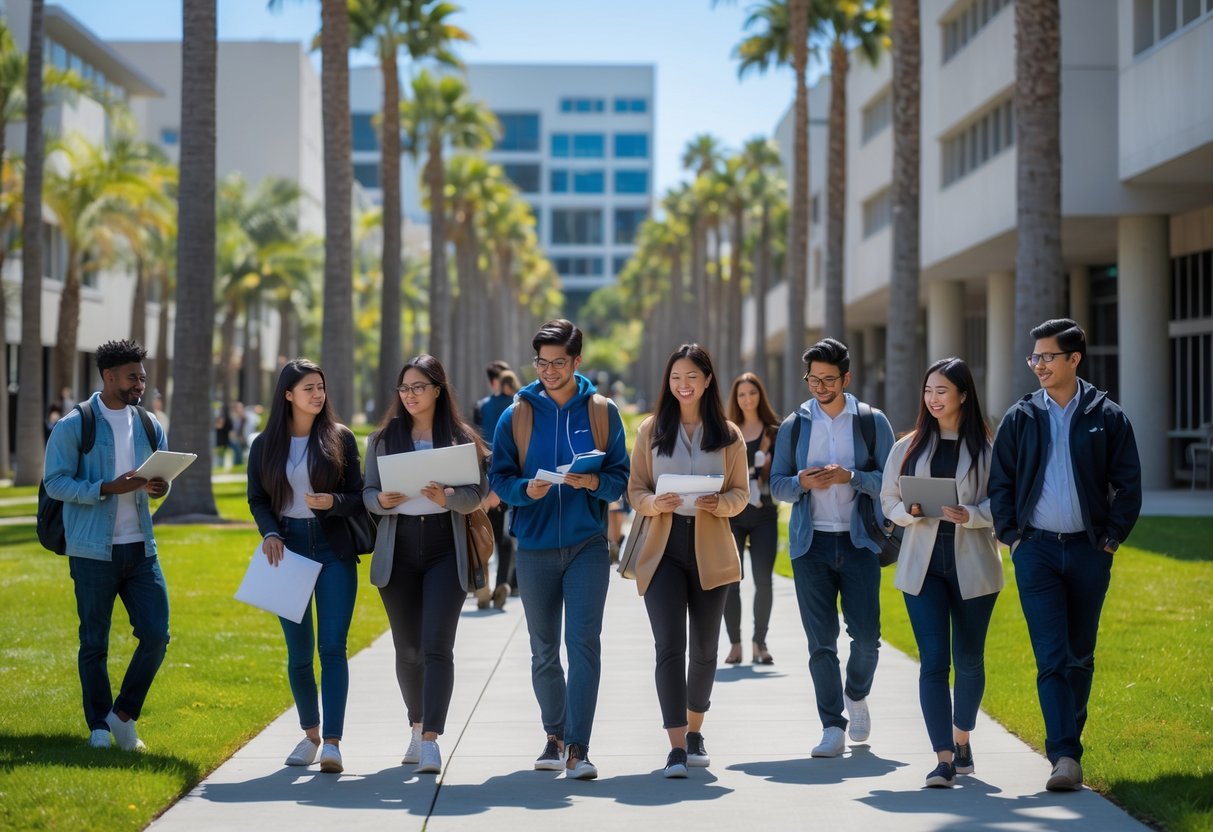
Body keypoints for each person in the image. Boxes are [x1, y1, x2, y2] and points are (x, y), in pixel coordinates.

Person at [988, 318, 1141, 792]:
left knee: (1080, 655)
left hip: (1089, 552)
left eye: (1047, 357)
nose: (1038, 365)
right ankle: (1065, 757)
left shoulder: (1107, 416)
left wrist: (1111, 538)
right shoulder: (1021, 416)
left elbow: (1129, 483)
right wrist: (1013, 537)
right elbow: (1002, 484)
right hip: (1036, 552)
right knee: (1052, 656)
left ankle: (1067, 742)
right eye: (1034, 357)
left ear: (1074, 359)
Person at [489, 319, 630, 780]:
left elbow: (620, 478)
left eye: (558, 363)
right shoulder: (518, 415)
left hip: (588, 544)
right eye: (542, 363)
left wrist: (593, 481)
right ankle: (553, 734)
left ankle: (578, 747)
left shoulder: (602, 412)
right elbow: (500, 479)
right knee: (544, 649)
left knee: (583, 644)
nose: (549, 371)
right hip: (532, 548)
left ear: (577, 361)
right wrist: (522, 492)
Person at [880, 357, 1003, 788]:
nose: (933, 399)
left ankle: (962, 737)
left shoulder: (988, 450)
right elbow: (888, 499)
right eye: (928, 391)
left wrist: (969, 513)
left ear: (963, 395)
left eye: (942, 391)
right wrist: (909, 513)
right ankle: (944, 759)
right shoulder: (907, 446)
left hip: (974, 567)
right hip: (923, 568)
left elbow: (1002, 506)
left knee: (969, 661)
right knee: (934, 662)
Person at [627, 344, 748, 778]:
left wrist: (721, 503)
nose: (684, 385)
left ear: (708, 380)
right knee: (668, 647)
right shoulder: (651, 430)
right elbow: (635, 490)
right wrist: (655, 502)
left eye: (692, 377)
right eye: (676, 377)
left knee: (705, 650)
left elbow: (741, 494)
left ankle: (696, 730)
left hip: (710, 549)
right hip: (663, 550)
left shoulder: (730, 435)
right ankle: (676, 746)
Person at [43, 339, 170, 751]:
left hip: (141, 549)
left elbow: (158, 482)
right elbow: (55, 481)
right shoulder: (75, 424)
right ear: (109, 376)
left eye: (142, 377)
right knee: (94, 642)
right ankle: (98, 724)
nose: (139, 384)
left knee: (156, 635)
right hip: (92, 551)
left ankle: (122, 716)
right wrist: (105, 488)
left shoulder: (150, 424)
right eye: (133, 377)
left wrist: (158, 488)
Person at [363, 355, 488, 775]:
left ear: (438, 389)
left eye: (419, 387)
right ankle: (415, 726)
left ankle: (432, 738)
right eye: (404, 388)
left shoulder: (459, 438)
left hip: (443, 551)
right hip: (397, 552)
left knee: (437, 646)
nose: (410, 395)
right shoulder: (382, 440)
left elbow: (475, 496)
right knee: (408, 649)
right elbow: (366, 493)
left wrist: (447, 498)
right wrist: (378, 502)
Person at [770, 337, 894, 758]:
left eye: (828, 379)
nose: (820, 387)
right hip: (811, 545)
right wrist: (802, 483)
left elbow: (888, 482)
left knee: (866, 639)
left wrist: (851, 477)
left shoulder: (871, 421)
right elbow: (777, 486)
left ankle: (855, 694)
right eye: (813, 379)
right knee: (820, 642)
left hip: (859, 543)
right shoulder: (795, 425)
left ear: (846, 378)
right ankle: (831, 725)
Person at [247, 359, 367, 775]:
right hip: (287, 549)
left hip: (333, 548)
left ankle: (332, 742)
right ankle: (310, 734)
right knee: (298, 653)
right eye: (308, 388)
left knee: (332, 647)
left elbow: (359, 495)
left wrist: (333, 502)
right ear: (287, 395)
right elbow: (257, 499)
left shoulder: (340, 438)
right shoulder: (264, 445)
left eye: (321, 386)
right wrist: (270, 533)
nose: (318, 394)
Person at [723, 372, 781, 666]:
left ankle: (760, 641)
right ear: (736, 398)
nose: (747, 399)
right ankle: (735, 644)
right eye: (742, 394)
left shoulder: (775, 432)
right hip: (732, 515)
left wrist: (771, 466)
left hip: (764, 514)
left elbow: (784, 476)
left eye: (752, 393)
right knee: (731, 582)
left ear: (760, 396)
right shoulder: (726, 431)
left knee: (763, 581)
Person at [480, 369, 520, 609]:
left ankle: (481, 584)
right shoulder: (517, 408)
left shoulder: (483, 405)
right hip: (508, 470)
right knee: (506, 537)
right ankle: (506, 582)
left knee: (483, 534)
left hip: (483, 469)